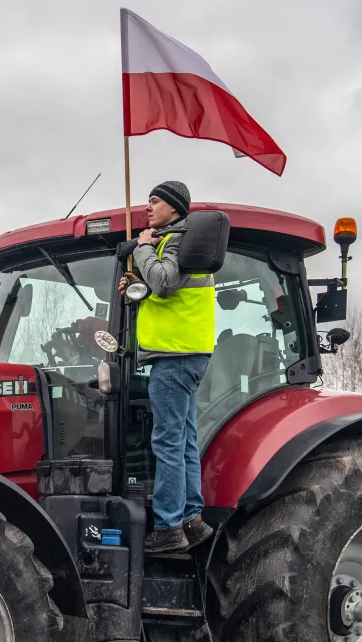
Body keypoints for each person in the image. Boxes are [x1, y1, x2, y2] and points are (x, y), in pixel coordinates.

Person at [122, 181, 216, 554]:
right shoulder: (179, 242)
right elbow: (166, 290)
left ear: (174, 208)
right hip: (185, 353)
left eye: (155, 201)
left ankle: (167, 527)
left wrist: (143, 247)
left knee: (167, 442)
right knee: (185, 441)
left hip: (175, 356)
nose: (148, 207)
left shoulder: (173, 240)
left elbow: (163, 282)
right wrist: (137, 283)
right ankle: (192, 520)